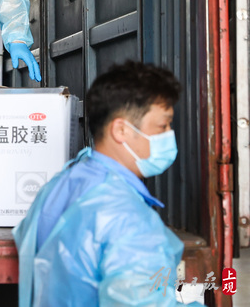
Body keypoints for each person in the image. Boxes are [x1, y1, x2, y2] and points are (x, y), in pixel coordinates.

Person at [13, 60, 204, 306]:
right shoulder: (127, 217)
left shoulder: (60, 185)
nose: (168, 135)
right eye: (162, 126)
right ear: (121, 130)